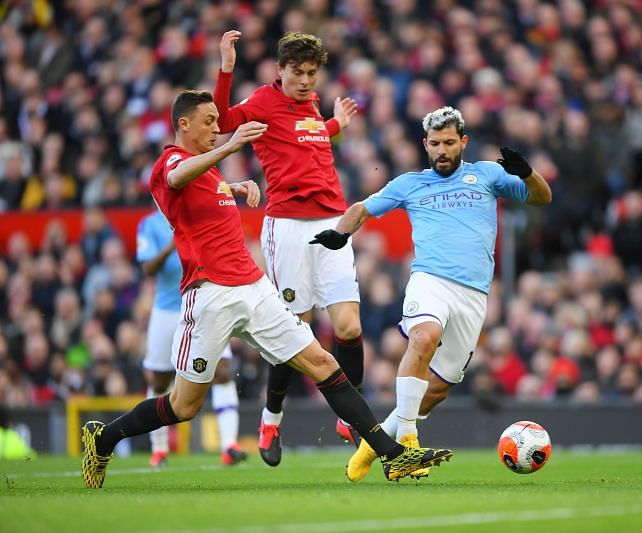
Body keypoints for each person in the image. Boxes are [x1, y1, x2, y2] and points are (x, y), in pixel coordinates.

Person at [79, 89, 453, 489]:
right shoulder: (171, 160)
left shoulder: (207, 171)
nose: (217, 128)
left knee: (324, 363)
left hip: (254, 288)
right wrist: (231, 148)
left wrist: (234, 186)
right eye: (208, 122)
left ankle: (392, 456)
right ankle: (105, 437)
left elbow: (202, 192)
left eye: (217, 122)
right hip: (209, 295)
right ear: (183, 124)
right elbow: (175, 177)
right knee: (183, 405)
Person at [310, 106, 552, 481]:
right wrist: (341, 233)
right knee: (424, 337)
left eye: (449, 143)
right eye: (435, 143)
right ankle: (407, 443)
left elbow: (541, 197)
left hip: (473, 295)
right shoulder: (410, 183)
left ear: (463, 142)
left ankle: (372, 446)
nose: (442, 150)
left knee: (437, 389)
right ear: (425, 144)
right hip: (430, 280)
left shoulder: (486, 174)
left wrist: (528, 173)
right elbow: (362, 208)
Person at [213, 30, 363, 467]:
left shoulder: (313, 105)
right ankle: (271, 419)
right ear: (280, 71)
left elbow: (308, 138)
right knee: (294, 332)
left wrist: (336, 125)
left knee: (349, 328)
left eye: (311, 73)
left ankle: (346, 416)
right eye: (297, 73)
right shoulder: (262, 101)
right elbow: (222, 122)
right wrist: (226, 66)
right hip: (289, 228)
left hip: (332, 223)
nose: (305, 81)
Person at [137, 208, 246, 467]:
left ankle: (229, 445)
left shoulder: (199, 214)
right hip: (167, 309)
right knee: (161, 379)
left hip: (203, 305)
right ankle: (159, 449)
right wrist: (171, 245)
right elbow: (147, 268)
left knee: (222, 372)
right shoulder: (150, 224)